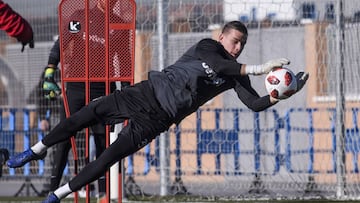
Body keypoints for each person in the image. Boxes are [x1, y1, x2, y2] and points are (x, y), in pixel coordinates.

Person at [7, 21, 309, 203]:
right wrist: (257, 68)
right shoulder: (208, 47)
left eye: (242, 44)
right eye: (234, 41)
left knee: (110, 157)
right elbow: (220, 65)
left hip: (158, 119)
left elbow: (254, 104)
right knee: (83, 116)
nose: (237, 48)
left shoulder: (237, 74)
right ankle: (36, 150)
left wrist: (278, 96)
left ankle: (57, 195)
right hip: (145, 93)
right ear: (221, 38)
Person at [39, 0, 130, 198]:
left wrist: (127, 93)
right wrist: (50, 69)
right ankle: (53, 190)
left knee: (102, 141)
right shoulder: (80, 17)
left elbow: (124, 63)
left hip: (103, 88)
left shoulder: (119, 24)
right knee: (64, 137)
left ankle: (104, 192)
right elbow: (61, 44)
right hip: (76, 86)